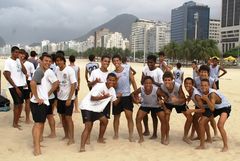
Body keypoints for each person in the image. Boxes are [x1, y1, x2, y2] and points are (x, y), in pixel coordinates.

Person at [79, 73, 121, 152]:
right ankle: (82, 147)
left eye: (113, 80)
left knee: (105, 120)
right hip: (87, 107)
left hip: (96, 109)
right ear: (107, 80)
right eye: (110, 80)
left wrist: (119, 97)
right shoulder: (99, 86)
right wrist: (103, 97)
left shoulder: (112, 90)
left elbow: (115, 103)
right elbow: (92, 98)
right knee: (88, 126)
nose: (111, 82)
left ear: (116, 81)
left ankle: (100, 138)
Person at [30, 54, 58, 156]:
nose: (48, 63)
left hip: (42, 102)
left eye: (49, 61)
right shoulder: (40, 71)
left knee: (39, 124)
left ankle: (36, 144)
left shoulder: (44, 71)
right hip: (38, 103)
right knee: (38, 124)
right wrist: (37, 97)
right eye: (45, 61)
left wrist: (44, 95)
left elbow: (36, 84)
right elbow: (32, 83)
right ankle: (36, 148)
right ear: (40, 61)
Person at [197, 79, 231, 152]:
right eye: (202, 85)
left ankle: (225, 146)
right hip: (215, 107)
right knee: (202, 122)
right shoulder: (202, 91)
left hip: (224, 107)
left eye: (205, 85)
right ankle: (202, 144)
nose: (203, 87)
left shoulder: (212, 94)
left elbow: (212, 108)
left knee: (220, 125)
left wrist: (206, 99)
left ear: (209, 86)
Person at [132, 76, 167, 144]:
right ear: (143, 83)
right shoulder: (141, 89)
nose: (148, 84)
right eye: (146, 83)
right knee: (138, 119)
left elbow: (165, 96)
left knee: (163, 119)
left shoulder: (157, 89)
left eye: (150, 83)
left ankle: (162, 139)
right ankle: (141, 138)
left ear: (152, 83)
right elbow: (133, 94)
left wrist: (162, 100)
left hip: (156, 105)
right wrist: (136, 100)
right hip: (145, 105)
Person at [160, 71, 192, 144]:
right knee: (166, 119)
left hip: (179, 103)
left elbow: (183, 99)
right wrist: (162, 101)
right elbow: (159, 94)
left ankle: (185, 136)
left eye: (169, 80)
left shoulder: (177, 86)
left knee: (190, 118)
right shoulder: (162, 86)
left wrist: (177, 100)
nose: (167, 82)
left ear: (172, 80)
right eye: (165, 80)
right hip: (168, 103)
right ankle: (167, 137)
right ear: (163, 80)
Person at [112, 54, 137, 142]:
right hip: (117, 97)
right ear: (113, 62)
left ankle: (130, 135)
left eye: (117, 61)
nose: (116, 62)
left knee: (129, 116)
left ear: (120, 61)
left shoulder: (127, 70)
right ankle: (116, 134)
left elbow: (133, 81)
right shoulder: (113, 74)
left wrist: (136, 93)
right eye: (114, 61)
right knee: (116, 117)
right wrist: (116, 81)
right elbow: (112, 87)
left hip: (127, 96)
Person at [87, 55, 111, 143]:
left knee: (104, 121)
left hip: (105, 100)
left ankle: (100, 138)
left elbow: (112, 86)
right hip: (95, 99)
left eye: (108, 62)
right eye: (105, 61)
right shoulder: (95, 72)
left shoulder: (110, 73)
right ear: (101, 61)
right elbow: (89, 84)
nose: (107, 63)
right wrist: (95, 82)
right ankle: (87, 138)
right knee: (91, 120)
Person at [3, 46, 27, 129]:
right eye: (16, 52)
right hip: (13, 86)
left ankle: (17, 120)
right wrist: (15, 87)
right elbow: (8, 76)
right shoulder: (8, 62)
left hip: (20, 85)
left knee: (20, 103)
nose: (18, 54)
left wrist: (20, 62)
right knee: (17, 104)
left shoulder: (18, 61)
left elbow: (25, 72)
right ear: (12, 52)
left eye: (18, 52)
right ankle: (14, 123)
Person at [55, 54, 77, 145]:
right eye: (57, 61)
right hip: (60, 97)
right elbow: (57, 82)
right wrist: (57, 88)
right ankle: (66, 135)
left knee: (68, 118)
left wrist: (69, 99)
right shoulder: (56, 69)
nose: (58, 62)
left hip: (69, 98)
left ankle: (71, 138)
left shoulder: (69, 70)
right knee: (63, 118)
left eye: (60, 60)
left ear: (64, 61)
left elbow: (73, 85)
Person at [141, 55, 164, 139]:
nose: (149, 64)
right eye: (148, 62)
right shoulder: (145, 69)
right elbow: (141, 81)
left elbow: (162, 84)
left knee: (154, 115)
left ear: (155, 62)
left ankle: (154, 133)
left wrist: (153, 81)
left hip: (155, 95)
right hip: (146, 94)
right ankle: (146, 130)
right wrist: (145, 79)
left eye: (151, 62)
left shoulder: (159, 71)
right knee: (144, 114)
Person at [194, 64, 219, 139]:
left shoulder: (211, 80)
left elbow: (215, 90)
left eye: (205, 72)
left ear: (208, 73)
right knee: (197, 117)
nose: (203, 73)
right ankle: (200, 135)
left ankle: (215, 133)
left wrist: (210, 98)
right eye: (201, 72)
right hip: (199, 102)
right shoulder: (196, 79)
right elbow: (194, 89)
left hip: (208, 101)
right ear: (199, 72)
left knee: (211, 118)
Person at [19, 49, 35, 124]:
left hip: (26, 83)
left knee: (27, 101)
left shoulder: (29, 64)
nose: (22, 55)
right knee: (18, 102)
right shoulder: (15, 63)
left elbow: (33, 74)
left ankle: (27, 118)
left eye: (23, 54)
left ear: (25, 55)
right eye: (20, 53)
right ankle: (18, 116)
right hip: (17, 83)